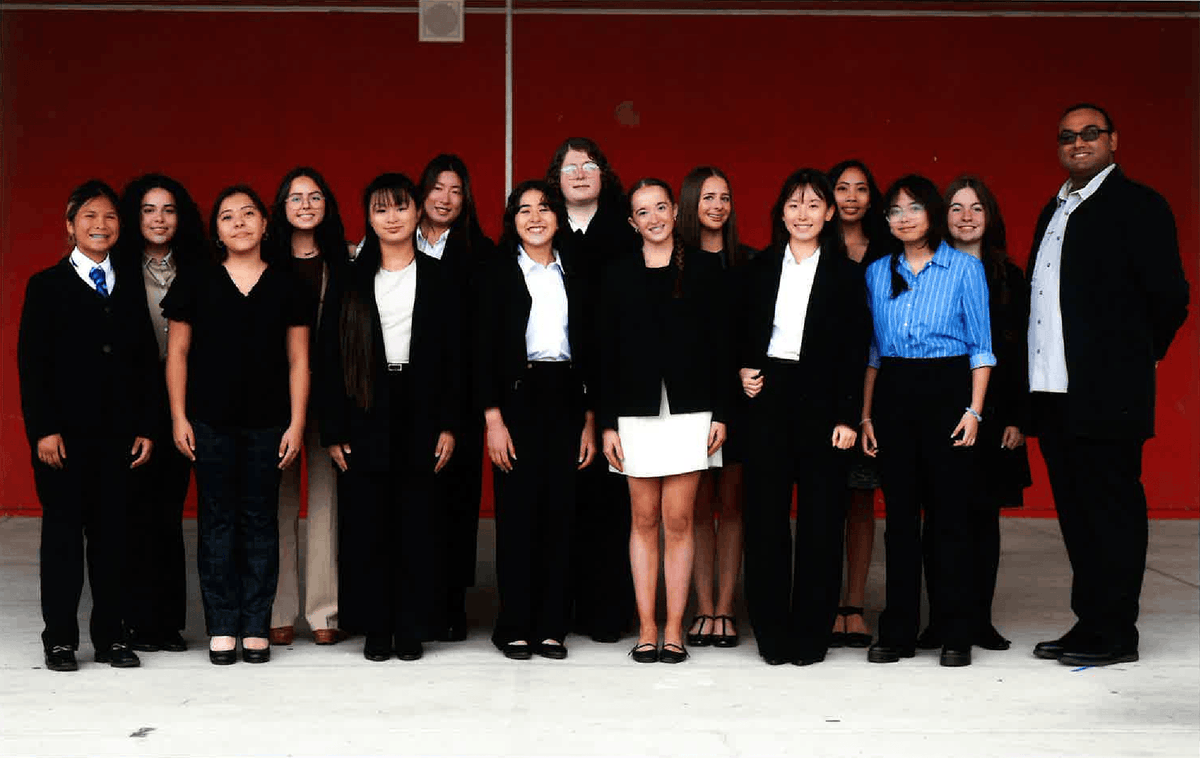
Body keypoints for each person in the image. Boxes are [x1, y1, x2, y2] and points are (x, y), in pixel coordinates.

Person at [1027, 103, 1188, 667]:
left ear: (1113, 140)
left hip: (1108, 394)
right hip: (1054, 391)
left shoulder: (1138, 206)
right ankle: (1090, 622)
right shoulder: (1055, 208)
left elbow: (1171, 297)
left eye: (1090, 134)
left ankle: (1118, 633)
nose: (1078, 143)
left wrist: (1133, 362)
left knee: (1112, 511)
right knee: (1075, 512)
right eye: (1067, 136)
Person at [163, 185, 312, 665]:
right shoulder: (197, 280)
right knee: (217, 523)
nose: (240, 223)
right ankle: (222, 625)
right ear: (217, 231)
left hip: (269, 425)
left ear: (266, 225)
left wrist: (297, 423)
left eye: (249, 214)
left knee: (260, 523)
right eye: (228, 217)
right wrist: (179, 417)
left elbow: (298, 361)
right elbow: (178, 354)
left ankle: (255, 624)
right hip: (209, 422)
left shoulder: (287, 283)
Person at [316, 173, 462, 663]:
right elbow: (329, 357)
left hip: (421, 404)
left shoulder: (441, 277)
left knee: (419, 519)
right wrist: (333, 429)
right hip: (365, 405)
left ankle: (412, 625)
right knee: (368, 521)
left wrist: (448, 423)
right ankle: (376, 626)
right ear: (370, 218)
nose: (393, 217)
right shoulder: (351, 278)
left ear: (418, 212)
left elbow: (454, 357)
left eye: (401, 207)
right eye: (381, 209)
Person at [19, 180, 159, 672]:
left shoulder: (128, 284)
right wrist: (44, 430)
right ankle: (59, 639)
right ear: (70, 226)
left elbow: (145, 361)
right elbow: (31, 366)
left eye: (110, 218)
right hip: (65, 439)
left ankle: (112, 637)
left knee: (114, 539)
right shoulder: (46, 286)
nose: (101, 226)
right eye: (90, 218)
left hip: (119, 437)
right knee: (62, 540)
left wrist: (146, 425)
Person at [738, 169, 871, 666]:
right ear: (781, 212)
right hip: (769, 397)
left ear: (829, 213)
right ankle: (772, 634)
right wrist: (743, 369)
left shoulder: (845, 272)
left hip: (824, 404)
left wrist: (846, 417)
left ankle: (811, 637)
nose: (803, 214)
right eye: (793, 205)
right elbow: (741, 330)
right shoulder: (758, 267)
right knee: (766, 520)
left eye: (814, 205)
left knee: (820, 522)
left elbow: (855, 348)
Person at [860, 174, 994, 668]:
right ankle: (897, 631)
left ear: (932, 213)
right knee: (899, 521)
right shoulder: (877, 273)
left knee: (949, 519)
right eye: (894, 211)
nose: (903, 218)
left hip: (948, 393)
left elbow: (981, 347)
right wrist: (867, 415)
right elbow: (873, 352)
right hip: (894, 393)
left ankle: (955, 631)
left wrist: (974, 410)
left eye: (913, 208)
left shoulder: (963, 269)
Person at [599, 178, 728, 664]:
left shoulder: (704, 268)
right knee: (643, 519)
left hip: (692, 410)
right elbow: (605, 354)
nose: (653, 218)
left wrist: (722, 413)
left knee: (679, 520)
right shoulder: (617, 275)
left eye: (660, 207)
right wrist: (608, 423)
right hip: (634, 412)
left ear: (676, 211)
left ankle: (675, 629)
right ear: (632, 222)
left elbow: (722, 347)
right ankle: (646, 628)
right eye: (642, 212)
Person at [477, 180, 596, 660]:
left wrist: (590, 419)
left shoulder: (578, 272)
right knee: (519, 516)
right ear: (512, 221)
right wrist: (493, 420)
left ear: (558, 217)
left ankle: (552, 625)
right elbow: (481, 349)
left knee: (561, 514)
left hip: (567, 396)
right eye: (524, 210)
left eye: (544, 208)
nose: (535, 217)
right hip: (517, 400)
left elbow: (594, 350)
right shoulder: (497, 272)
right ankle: (515, 625)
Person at [916, 176, 1032, 653]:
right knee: (939, 517)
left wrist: (1018, 418)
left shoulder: (1010, 276)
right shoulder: (929, 269)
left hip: (996, 414)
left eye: (977, 208)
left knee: (983, 519)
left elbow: (1024, 350)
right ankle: (941, 621)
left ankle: (978, 621)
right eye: (957, 208)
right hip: (942, 409)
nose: (966, 217)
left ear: (991, 217)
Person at [545, 137, 639, 643]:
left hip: (617, 379)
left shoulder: (626, 229)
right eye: (568, 167)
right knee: (563, 497)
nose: (579, 174)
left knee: (612, 499)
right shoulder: (542, 226)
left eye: (589, 166)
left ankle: (607, 610)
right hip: (557, 384)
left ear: (604, 173)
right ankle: (559, 608)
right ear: (555, 178)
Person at [116, 173, 206, 654]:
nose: (159, 218)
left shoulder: (198, 265)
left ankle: (167, 624)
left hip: (187, 401)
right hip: (132, 404)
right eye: (149, 209)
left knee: (170, 516)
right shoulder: (117, 267)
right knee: (134, 515)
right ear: (135, 216)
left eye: (168, 209)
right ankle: (133, 620)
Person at [266, 166, 353, 647]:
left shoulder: (344, 260)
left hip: (331, 398)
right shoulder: (265, 259)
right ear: (281, 206)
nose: (305, 204)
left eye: (315, 196)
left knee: (325, 504)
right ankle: (279, 608)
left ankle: (324, 612)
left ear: (326, 206)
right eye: (296, 197)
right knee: (277, 504)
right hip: (275, 397)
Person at [415, 154, 495, 641]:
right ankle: (415, 599)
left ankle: (450, 603)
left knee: (457, 502)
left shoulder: (480, 253)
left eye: (456, 191)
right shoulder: (393, 243)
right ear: (422, 192)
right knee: (415, 499)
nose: (445, 199)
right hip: (406, 391)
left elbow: (482, 332)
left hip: (461, 393)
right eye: (438, 188)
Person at [676, 166, 752, 649]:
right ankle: (702, 608)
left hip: (741, 397)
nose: (718, 205)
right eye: (708, 197)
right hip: (690, 398)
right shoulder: (675, 263)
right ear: (690, 204)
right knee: (698, 507)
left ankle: (726, 607)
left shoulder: (749, 262)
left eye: (725, 196)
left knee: (734, 504)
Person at [826, 159, 894, 648]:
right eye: (842, 188)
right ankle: (825, 601)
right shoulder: (811, 245)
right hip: (825, 387)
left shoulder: (888, 251)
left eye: (861, 189)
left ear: (873, 198)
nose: (851, 196)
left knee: (861, 498)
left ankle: (853, 603)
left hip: (875, 384)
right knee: (824, 498)